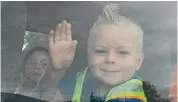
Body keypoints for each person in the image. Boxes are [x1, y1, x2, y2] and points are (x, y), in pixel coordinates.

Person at [49, 3, 147, 102]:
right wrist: (57, 69)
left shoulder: (131, 96)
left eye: (122, 52)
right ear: (88, 55)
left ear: (138, 62)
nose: (110, 59)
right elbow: (47, 94)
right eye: (100, 51)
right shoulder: (85, 79)